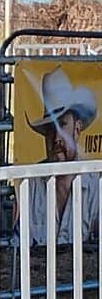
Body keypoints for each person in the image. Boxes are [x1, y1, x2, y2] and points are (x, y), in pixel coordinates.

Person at [17, 66, 100, 246]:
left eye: (62, 125)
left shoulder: (96, 187)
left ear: (77, 129)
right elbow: (17, 243)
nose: (56, 138)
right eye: (50, 129)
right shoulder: (30, 185)